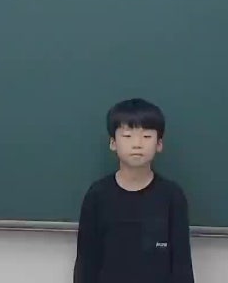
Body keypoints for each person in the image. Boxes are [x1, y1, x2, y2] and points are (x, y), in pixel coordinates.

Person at [73, 98, 195, 283]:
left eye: (146, 136)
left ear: (159, 144)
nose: (137, 144)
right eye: (127, 136)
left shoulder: (172, 196)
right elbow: (86, 263)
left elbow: (182, 265)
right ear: (113, 143)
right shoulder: (97, 195)